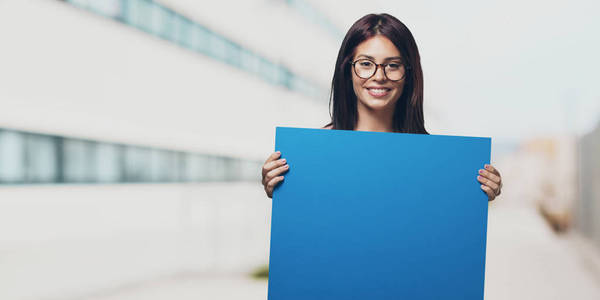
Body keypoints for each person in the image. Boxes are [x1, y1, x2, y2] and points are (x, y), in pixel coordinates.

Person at [261, 13, 502, 201]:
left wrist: (479, 193)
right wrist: (283, 191)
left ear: (409, 74)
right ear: (347, 70)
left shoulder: (435, 161)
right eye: (366, 63)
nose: (379, 76)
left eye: (393, 65)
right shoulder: (311, 154)